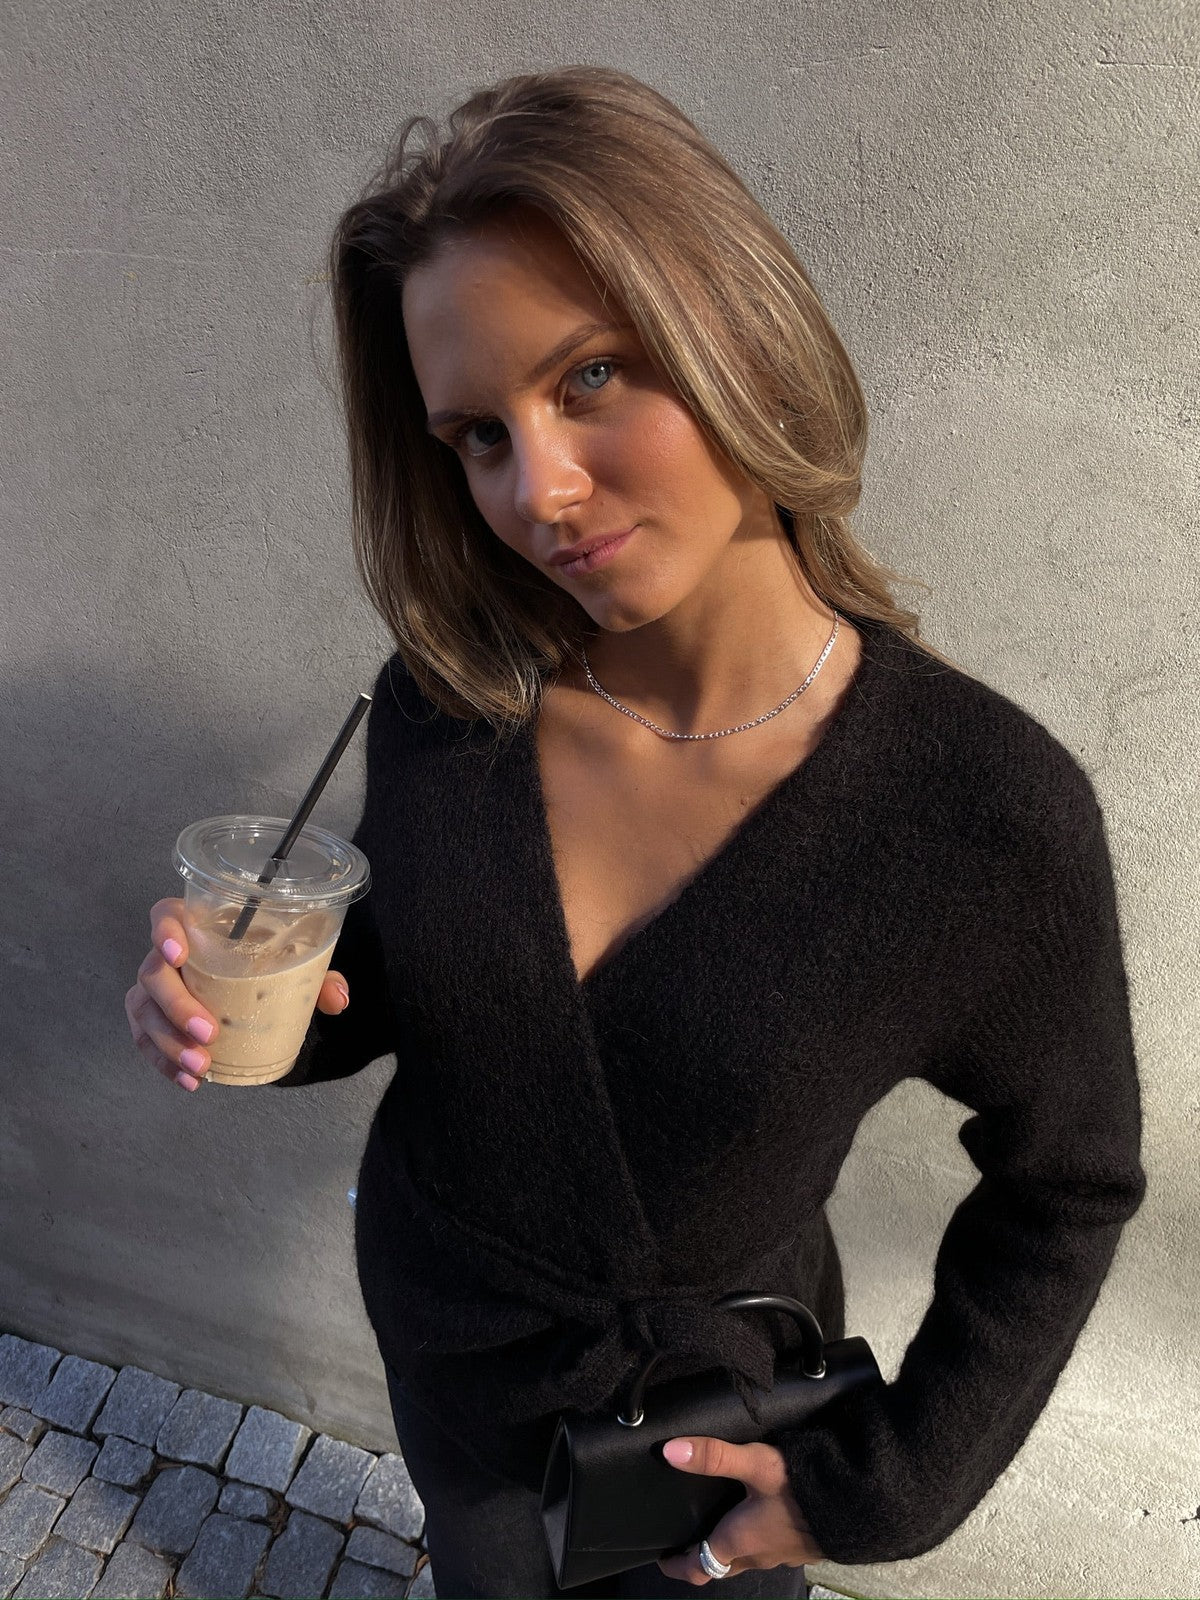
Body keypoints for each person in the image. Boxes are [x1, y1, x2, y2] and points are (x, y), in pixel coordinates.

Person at [125, 66, 1147, 1600]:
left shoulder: (980, 819)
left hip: (692, 1452)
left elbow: (1067, 1182)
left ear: (738, 340)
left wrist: (891, 1483)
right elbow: (430, 981)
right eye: (478, 435)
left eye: (591, 376)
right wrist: (260, 1004)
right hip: (446, 1357)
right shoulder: (450, 702)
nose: (538, 490)